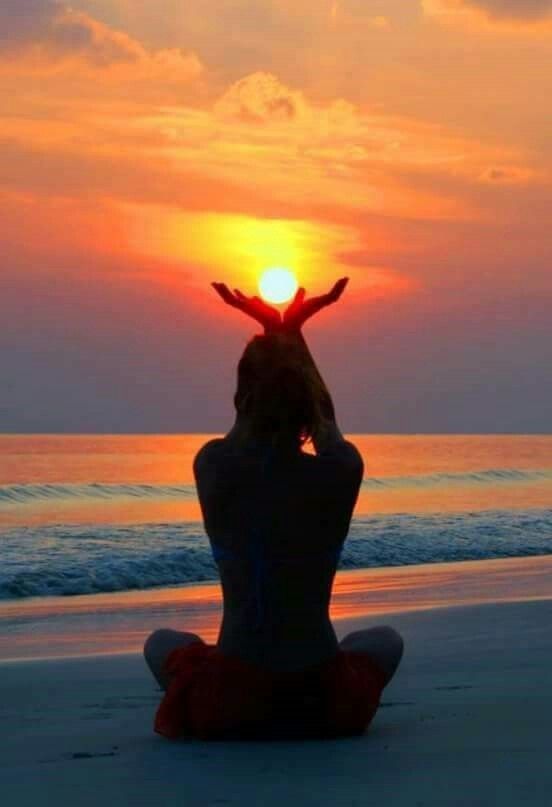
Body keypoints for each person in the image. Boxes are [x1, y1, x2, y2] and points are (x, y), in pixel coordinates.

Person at [144, 277, 404, 740]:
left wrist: (273, 333)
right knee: (385, 642)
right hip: (322, 699)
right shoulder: (339, 471)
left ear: (242, 399)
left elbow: (258, 418)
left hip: (231, 700)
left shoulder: (213, 466)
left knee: (161, 644)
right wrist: (292, 334)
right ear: (307, 408)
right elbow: (325, 419)